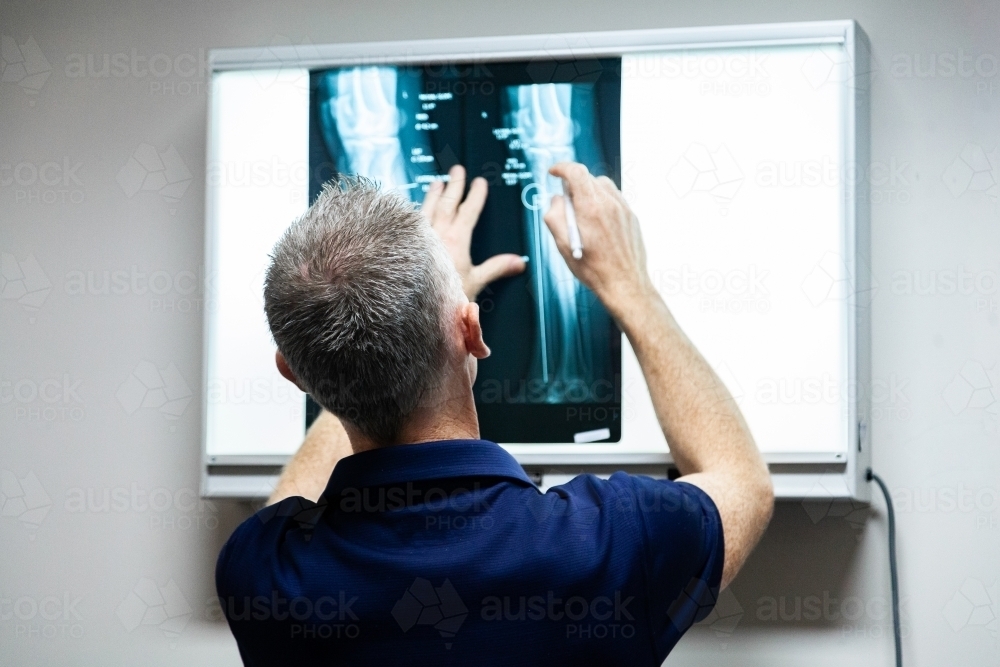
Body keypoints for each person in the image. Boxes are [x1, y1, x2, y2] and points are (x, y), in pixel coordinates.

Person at [216, 163, 774, 666]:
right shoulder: (611, 542)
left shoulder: (262, 577)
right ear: (472, 330)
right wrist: (631, 288)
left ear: (294, 376)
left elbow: (290, 496)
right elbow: (743, 482)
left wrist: (338, 364)